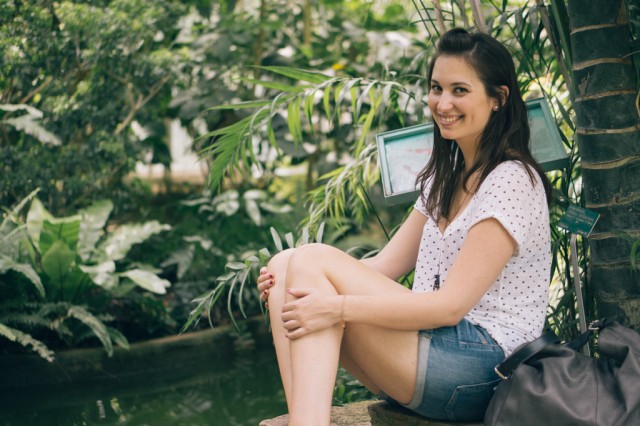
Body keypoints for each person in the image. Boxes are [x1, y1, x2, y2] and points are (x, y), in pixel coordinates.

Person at [256, 27, 552, 425]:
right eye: (436, 88)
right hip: (436, 353)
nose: (443, 103)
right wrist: (291, 277)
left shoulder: (510, 179)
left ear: (498, 98)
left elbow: (450, 307)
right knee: (286, 264)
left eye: (460, 90)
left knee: (310, 261)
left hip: (486, 368)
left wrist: (335, 306)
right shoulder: (446, 177)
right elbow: (381, 267)